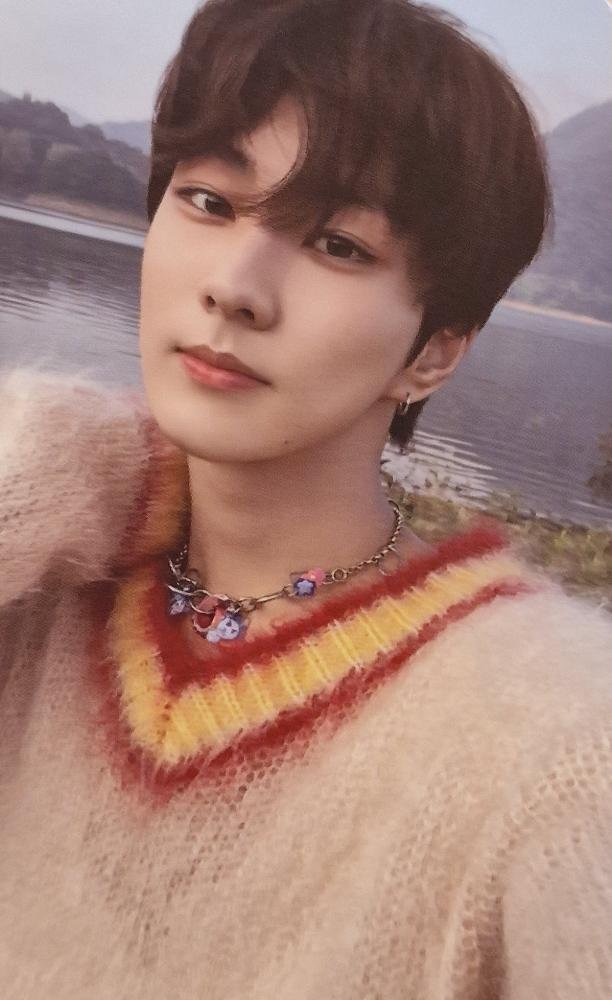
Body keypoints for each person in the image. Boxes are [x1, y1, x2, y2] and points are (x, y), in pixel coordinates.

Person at [1, 0, 611, 997]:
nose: (235, 286)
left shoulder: (553, 744)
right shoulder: (43, 568)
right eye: (208, 201)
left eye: (338, 245)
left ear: (434, 350)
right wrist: (49, 462)